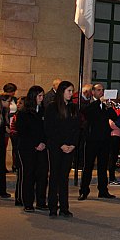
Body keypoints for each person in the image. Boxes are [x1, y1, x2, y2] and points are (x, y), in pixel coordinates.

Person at [45, 81, 80, 218]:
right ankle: (53, 207)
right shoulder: (52, 107)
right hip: (56, 146)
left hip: (69, 147)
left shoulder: (73, 107)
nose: (71, 94)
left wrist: (72, 144)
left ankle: (64, 207)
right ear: (62, 91)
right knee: (54, 176)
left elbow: (77, 127)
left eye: (72, 91)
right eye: (69, 91)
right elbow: (50, 129)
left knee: (64, 178)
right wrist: (61, 144)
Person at [78, 83, 117, 200]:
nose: (101, 92)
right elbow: (86, 113)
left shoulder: (105, 105)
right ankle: (84, 190)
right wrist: (99, 102)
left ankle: (103, 190)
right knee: (88, 166)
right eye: (99, 90)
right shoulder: (90, 103)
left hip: (104, 139)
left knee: (102, 166)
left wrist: (109, 107)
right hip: (91, 139)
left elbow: (114, 117)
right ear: (93, 92)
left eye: (102, 90)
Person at [15, 86, 48, 212]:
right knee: (28, 175)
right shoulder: (24, 113)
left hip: (42, 147)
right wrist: (35, 143)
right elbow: (22, 131)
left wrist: (43, 143)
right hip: (27, 148)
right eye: (39, 96)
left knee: (42, 175)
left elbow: (47, 129)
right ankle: (27, 202)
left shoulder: (44, 111)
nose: (41, 98)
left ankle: (40, 201)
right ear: (33, 97)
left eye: (42, 96)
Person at [108, 97, 120, 186]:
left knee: (114, 157)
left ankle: (112, 177)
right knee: (112, 157)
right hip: (114, 136)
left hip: (119, 135)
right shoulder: (111, 111)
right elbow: (111, 123)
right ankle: (111, 177)